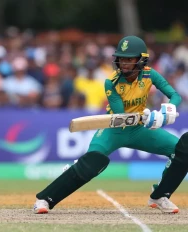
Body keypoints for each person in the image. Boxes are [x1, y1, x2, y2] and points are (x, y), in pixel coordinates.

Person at [33, 35, 186, 214]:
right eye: (121, 59)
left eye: (129, 59)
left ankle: (159, 195)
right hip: (114, 129)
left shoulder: (149, 74)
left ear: (141, 60)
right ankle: (44, 199)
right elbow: (122, 115)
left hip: (138, 130)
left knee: (182, 151)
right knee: (90, 164)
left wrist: (166, 111)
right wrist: (148, 117)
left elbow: (175, 95)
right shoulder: (111, 82)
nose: (124, 63)